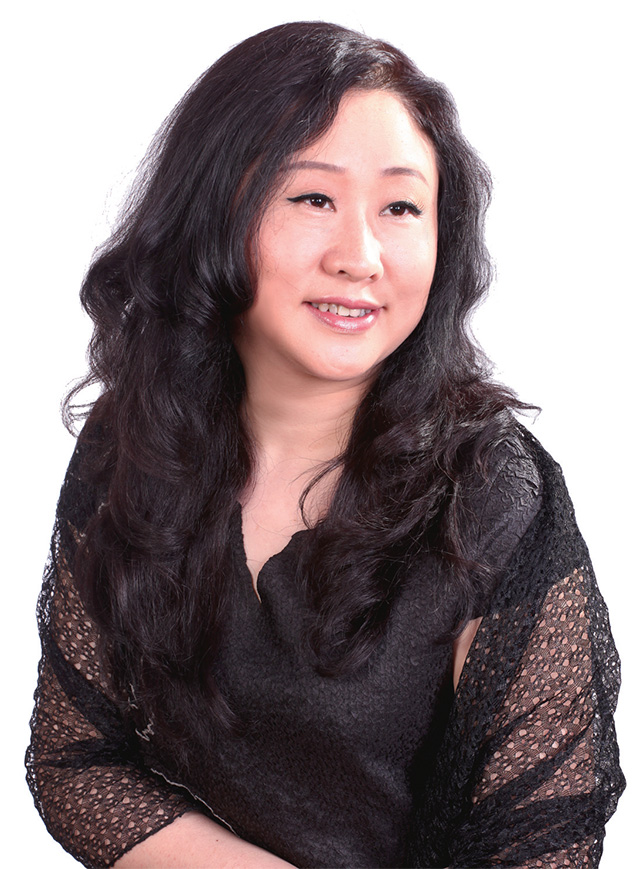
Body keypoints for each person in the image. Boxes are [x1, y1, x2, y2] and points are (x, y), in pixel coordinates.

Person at [26, 20, 624, 869]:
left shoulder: (490, 495)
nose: (361, 256)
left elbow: (542, 847)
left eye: (401, 207)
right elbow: (76, 761)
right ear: (215, 211)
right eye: (314, 198)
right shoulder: (133, 443)